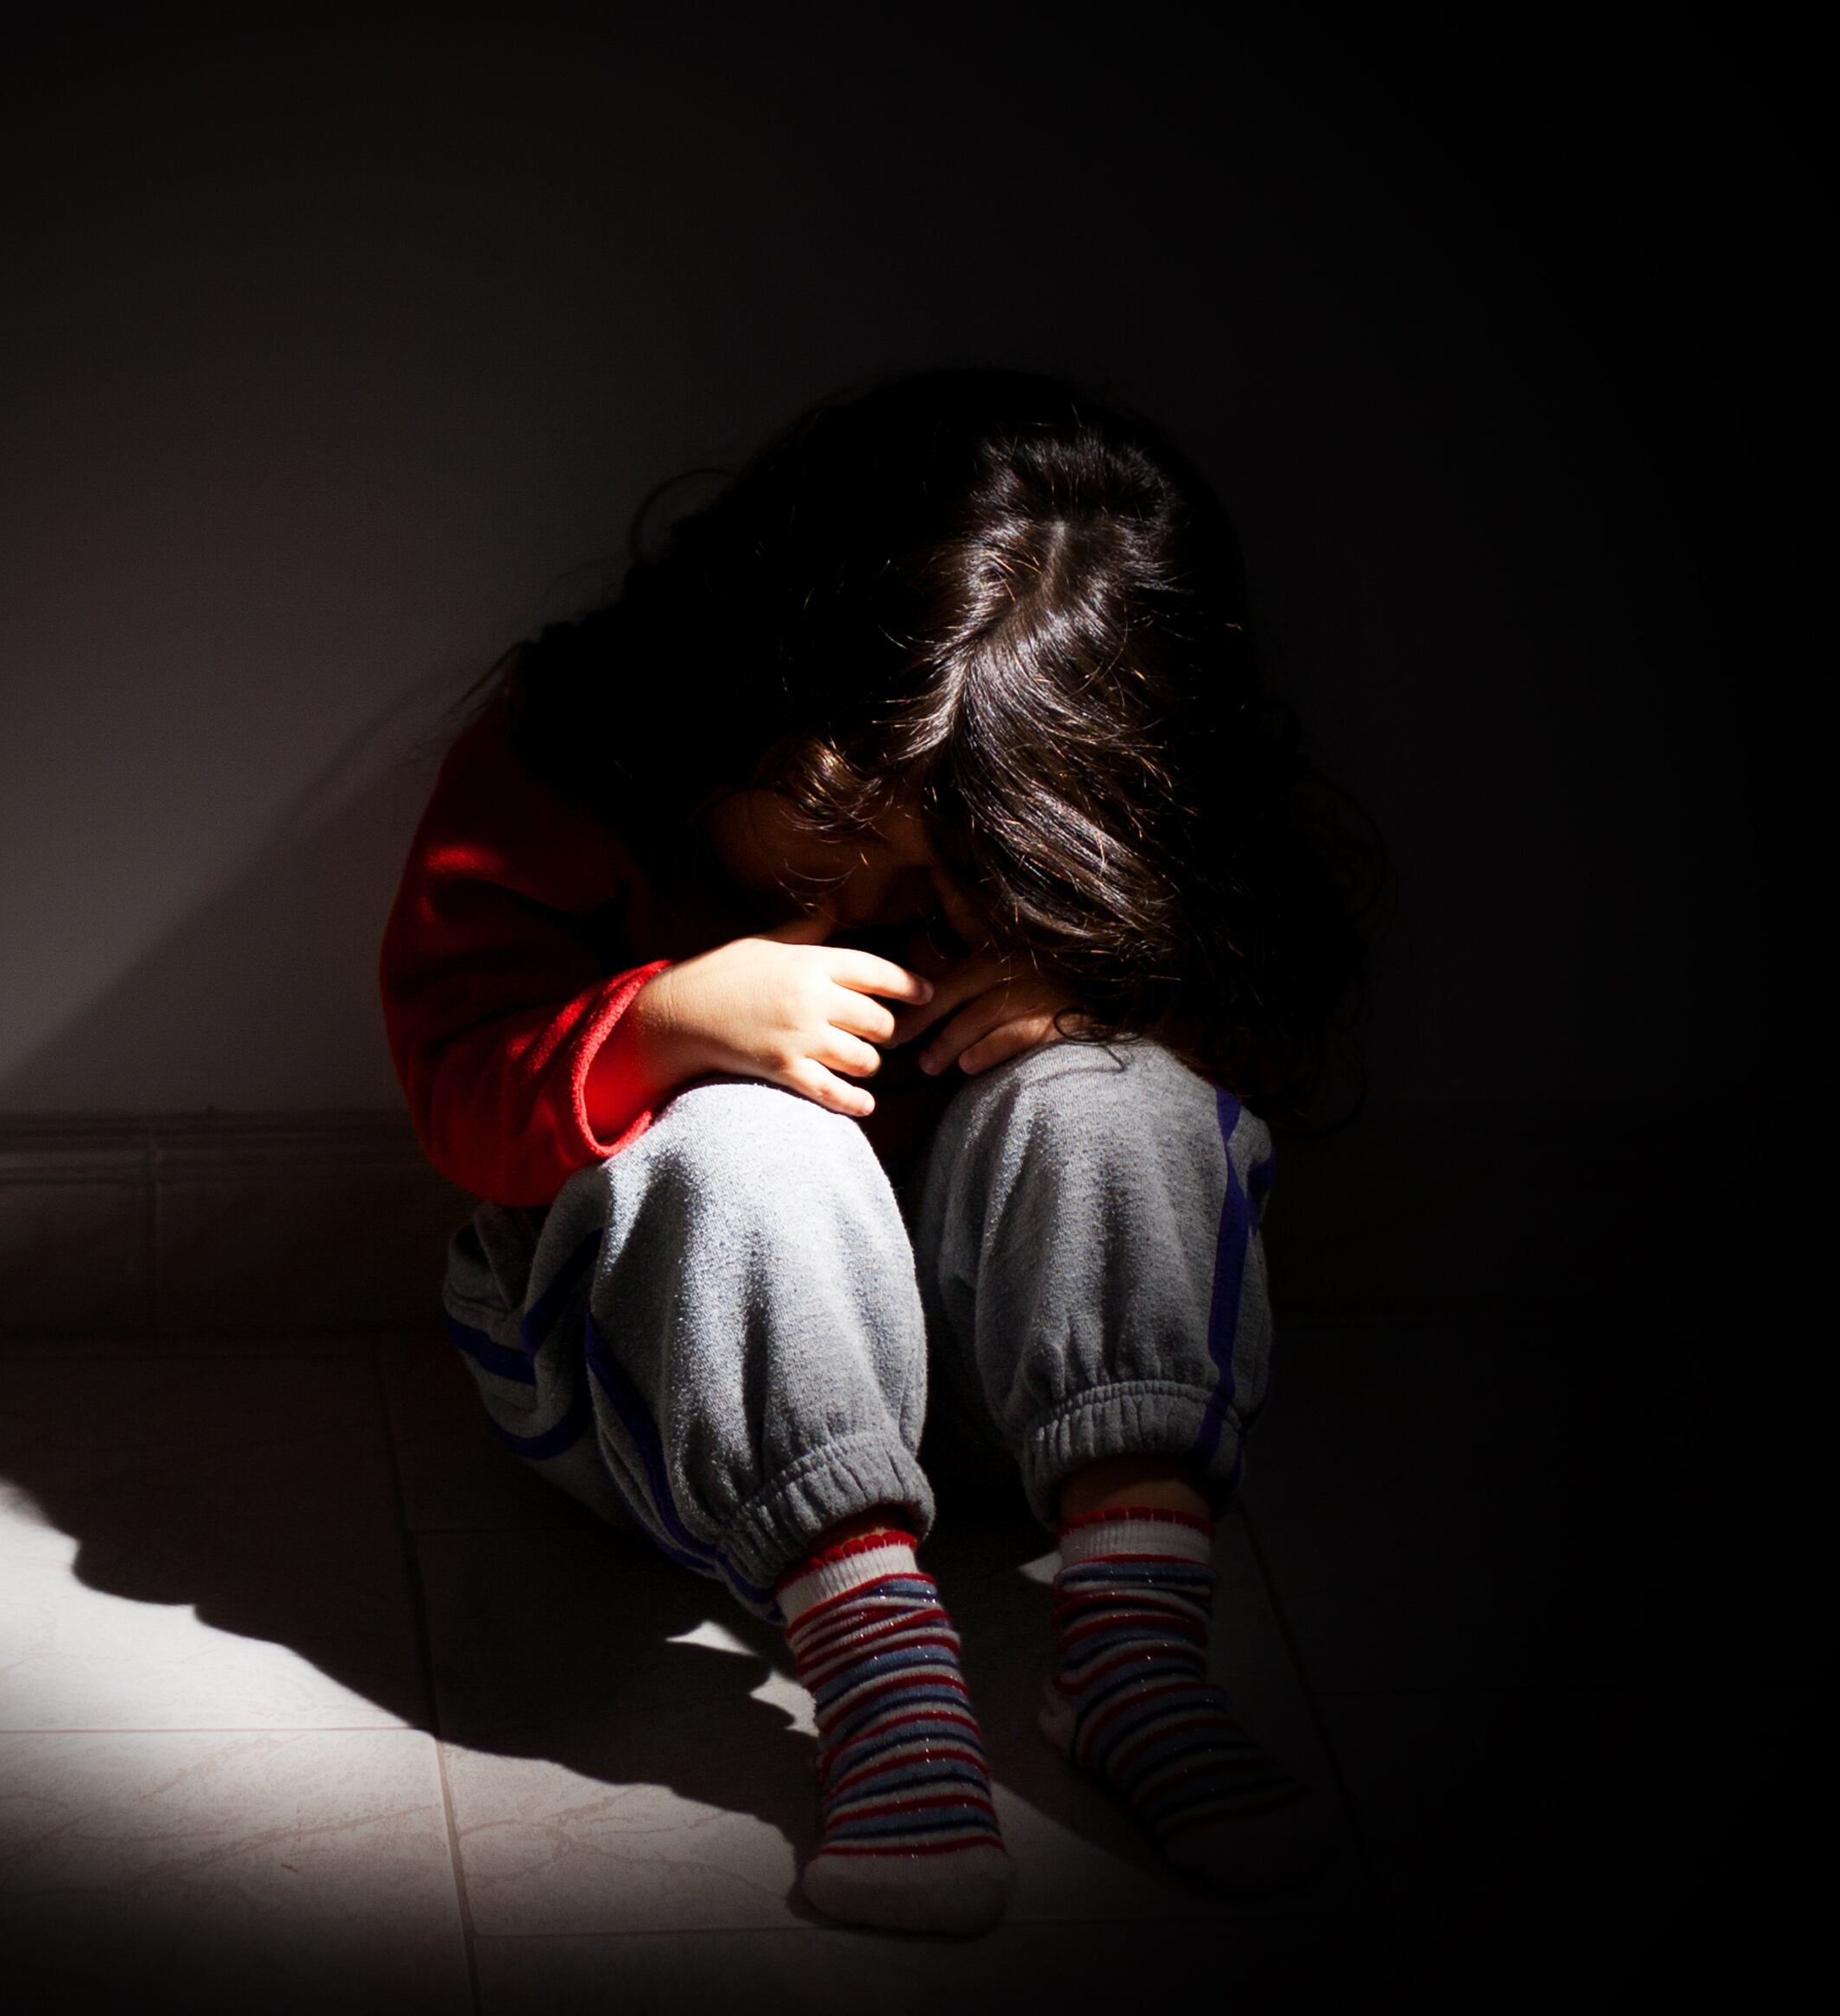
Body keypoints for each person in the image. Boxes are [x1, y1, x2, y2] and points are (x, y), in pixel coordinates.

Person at [378, 370, 1366, 1936]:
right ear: (744, 695)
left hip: (1004, 1399)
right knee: (743, 1141)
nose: (867, 906)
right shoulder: (565, 765)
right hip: (662, 1396)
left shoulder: (1086, 844)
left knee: (1121, 1094)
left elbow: (1263, 1044)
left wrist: (1111, 993)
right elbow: (455, 1087)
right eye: (833, 842)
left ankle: (1133, 1654)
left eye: (937, 881)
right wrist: (662, 1026)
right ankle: (883, 1681)